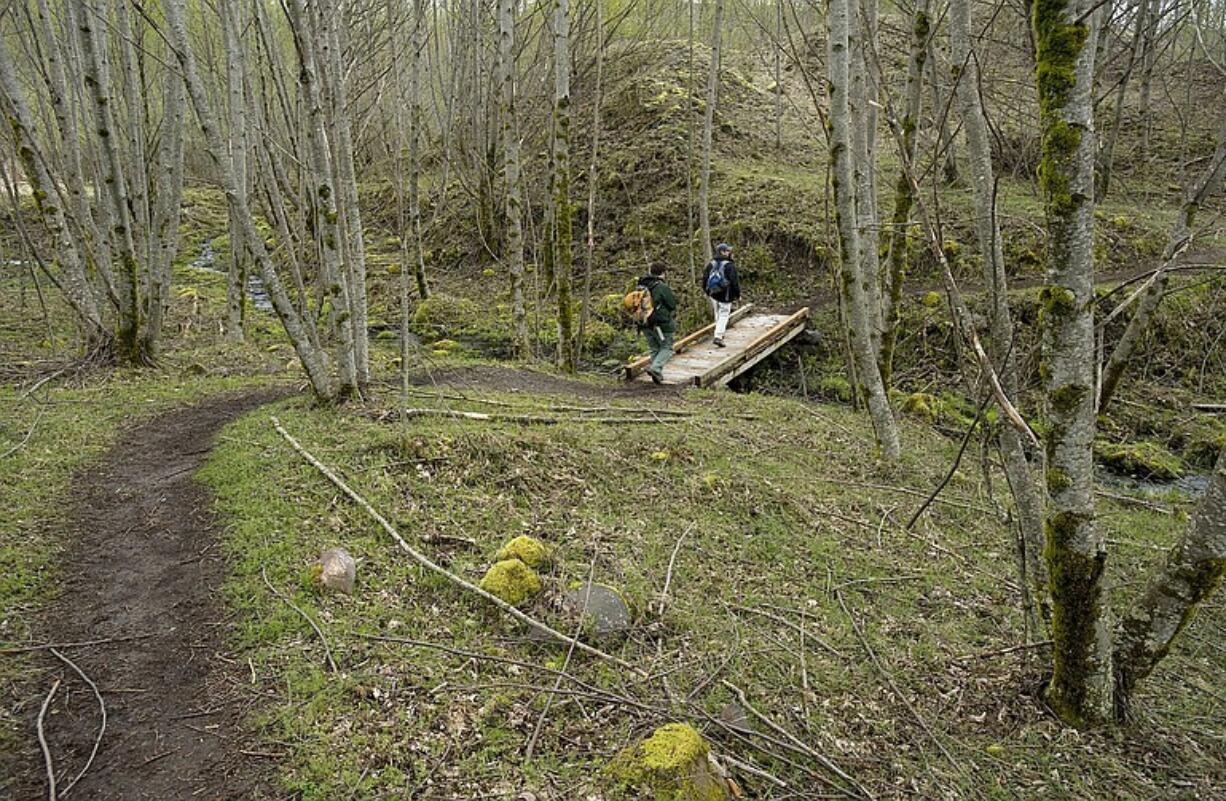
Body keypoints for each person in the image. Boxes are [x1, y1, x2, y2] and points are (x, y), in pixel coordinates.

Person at [636, 264, 677, 384]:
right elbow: (672, 304)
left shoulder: (641, 286)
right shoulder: (662, 287)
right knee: (667, 347)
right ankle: (655, 368)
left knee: (654, 348)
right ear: (663, 273)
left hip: (643, 322)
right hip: (660, 323)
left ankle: (657, 374)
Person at [702, 242, 741, 347]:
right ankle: (718, 336)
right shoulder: (729, 265)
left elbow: (704, 279)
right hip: (726, 295)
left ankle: (718, 332)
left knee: (717, 314)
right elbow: (734, 282)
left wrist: (707, 292)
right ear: (722, 252)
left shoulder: (711, 264)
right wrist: (737, 294)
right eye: (727, 250)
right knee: (724, 314)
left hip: (713, 294)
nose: (729, 252)